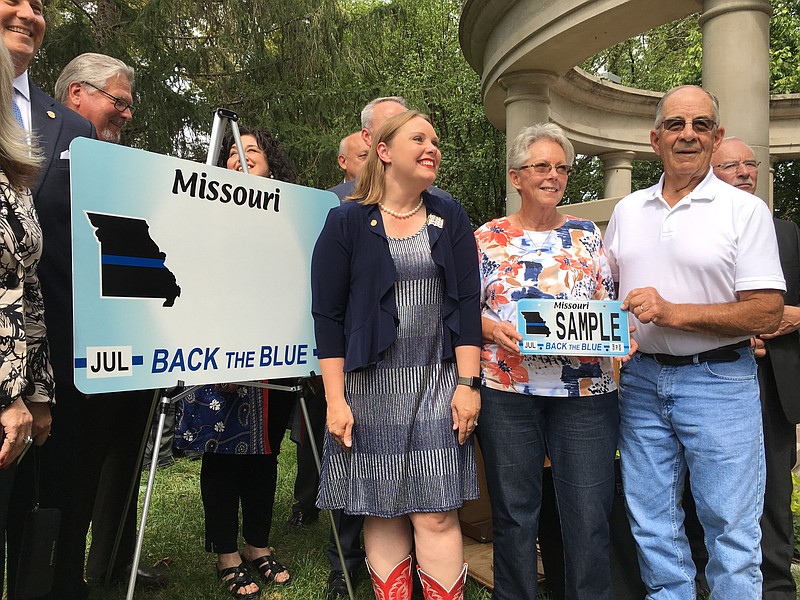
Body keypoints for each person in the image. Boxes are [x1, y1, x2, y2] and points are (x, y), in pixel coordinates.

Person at [605, 85, 785, 599]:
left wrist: (671, 312)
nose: (688, 134)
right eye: (677, 125)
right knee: (652, 524)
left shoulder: (743, 211)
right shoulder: (628, 211)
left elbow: (767, 310)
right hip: (640, 384)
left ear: (717, 136)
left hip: (719, 382)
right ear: (655, 139)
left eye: (701, 125)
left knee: (731, 529)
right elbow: (603, 292)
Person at [311, 110, 481, 600]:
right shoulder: (345, 222)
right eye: (419, 138)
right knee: (382, 508)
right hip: (368, 391)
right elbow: (327, 316)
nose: (432, 147)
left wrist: (468, 388)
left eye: (435, 140)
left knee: (437, 511)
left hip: (438, 384)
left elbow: (468, 305)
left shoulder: (449, 215)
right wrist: (335, 400)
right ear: (383, 151)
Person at [474, 123, 621, 600]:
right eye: (541, 166)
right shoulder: (485, 238)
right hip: (507, 392)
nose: (553, 175)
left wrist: (618, 337)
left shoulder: (588, 236)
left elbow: (608, 304)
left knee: (587, 514)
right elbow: (460, 311)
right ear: (516, 177)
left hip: (585, 394)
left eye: (561, 168)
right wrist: (493, 329)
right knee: (515, 515)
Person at [52, 51, 167, 590]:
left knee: (125, 458)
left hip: (134, 344)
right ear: (77, 94)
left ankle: (115, 562)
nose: (125, 114)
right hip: (71, 348)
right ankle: (65, 572)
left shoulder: (126, 168)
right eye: (117, 101)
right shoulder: (44, 158)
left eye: (128, 105)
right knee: (77, 467)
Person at [173, 126, 295, 599]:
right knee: (222, 456)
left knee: (264, 454)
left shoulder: (290, 220)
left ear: (271, 166)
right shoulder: (203, 215)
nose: (238, 161)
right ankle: (226, 552)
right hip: (218, 357)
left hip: (276, 359)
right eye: (230, 155)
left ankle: (257, 546)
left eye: (251, 154)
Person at [3, 3, 98, 598]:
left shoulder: (73, 127)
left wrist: (33, 388)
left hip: (50, 351)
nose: (27, 13)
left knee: (45, 503)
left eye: (38, 4)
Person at [712, 137, 800, 599]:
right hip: (710, 377)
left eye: (751, 164)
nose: (745, 172)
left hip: (772, 386)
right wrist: (733, 330)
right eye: (731, 165)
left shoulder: (786, 232)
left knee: (772, 496)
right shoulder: (695, 230)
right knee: (711, 491)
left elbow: (783, 305)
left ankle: (777, 589)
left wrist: (783, 316)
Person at [0, 38, 53, 592]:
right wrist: (5, 396)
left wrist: (35, 395)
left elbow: (23, 286)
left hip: (18, 399)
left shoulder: (12, 174)